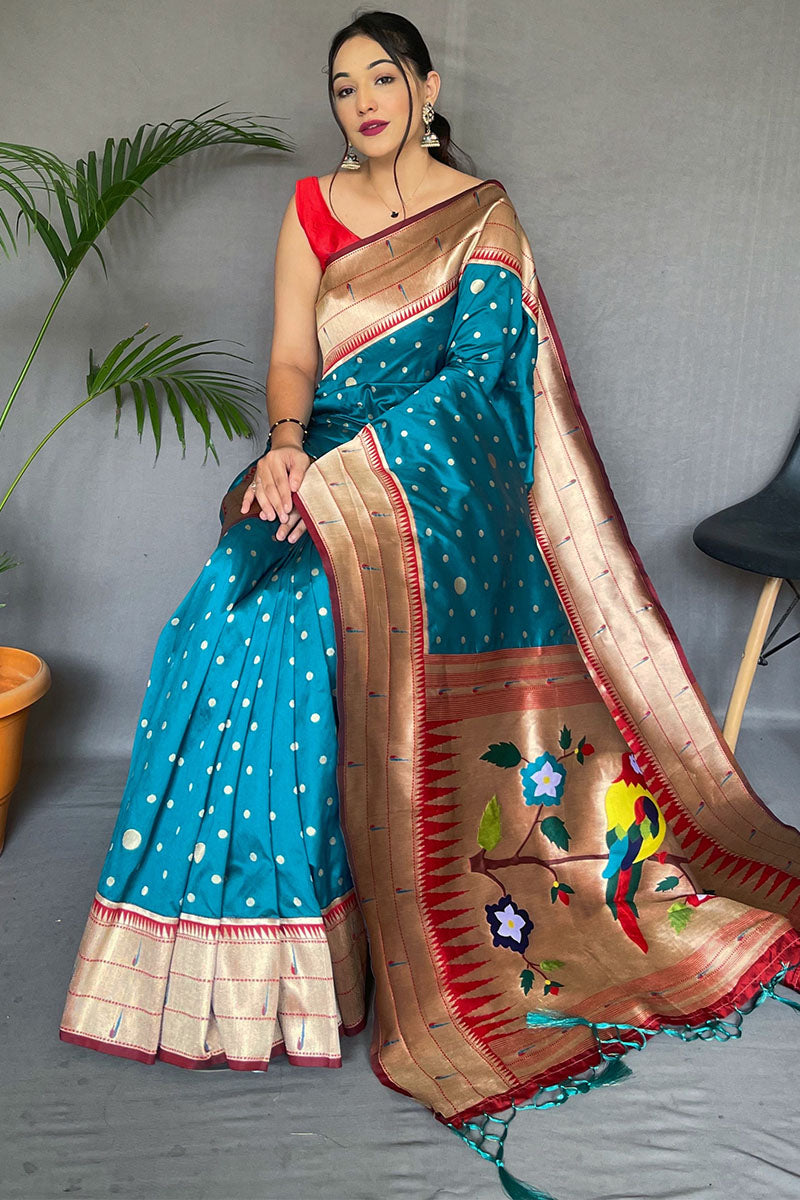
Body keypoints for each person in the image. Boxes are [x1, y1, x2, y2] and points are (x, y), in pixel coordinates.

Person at [60, 10, 800, 1199]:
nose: (360, 100)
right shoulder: (310, 208)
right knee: (219, 621)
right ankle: (243, 969)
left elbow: (480, 384)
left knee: (305, 629)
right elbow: (291, 356)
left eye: (380, 77)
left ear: (424, 85)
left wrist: (358, 478)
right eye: (342, 84)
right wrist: (288, 449)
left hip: (439, 486)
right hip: (322, 461)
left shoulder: (482, 215)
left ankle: (336, 951)